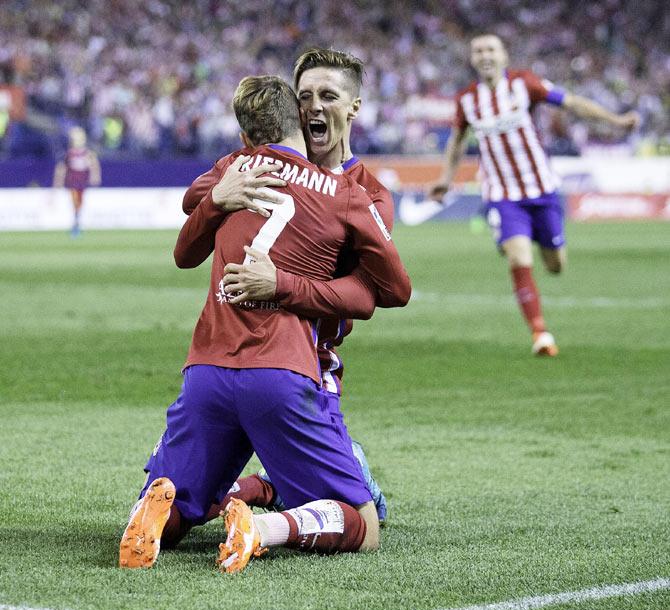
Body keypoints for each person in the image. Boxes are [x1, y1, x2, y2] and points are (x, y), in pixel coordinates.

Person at [119, 75, 411, 573]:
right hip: (289, 372)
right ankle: (264, 527)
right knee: (366, 520)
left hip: (207, 369)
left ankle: (157, 509)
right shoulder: (346, 192)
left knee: (186, 498)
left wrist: (217, 198)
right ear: (299, 118)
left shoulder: (234, 167)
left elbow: (185, 243)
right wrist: (285, 286)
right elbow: (392, 291)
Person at [203, 47, 397, 525]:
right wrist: (216, 196)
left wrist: (281, 284)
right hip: (244, 358)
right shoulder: (261, 163)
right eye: (304, 95)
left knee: (372, 510)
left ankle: (234, 489)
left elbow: (369, 295)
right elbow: (196, 196)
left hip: (312, 369)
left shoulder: (367, 196)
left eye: (328, 96)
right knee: (361, 514)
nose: (314, 106)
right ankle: (238, 488)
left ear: (353, 107)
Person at [429, 34, 639, 356]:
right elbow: (457, 141)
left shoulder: (524, 84)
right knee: (519, 258)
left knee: (555, 265)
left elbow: (572, 103)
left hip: (542, 189)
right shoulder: (467, 100)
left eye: (491, 50)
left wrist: (615, 121)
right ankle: (540, 333)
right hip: (503, 194)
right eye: (478, 51)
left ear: (504, 56)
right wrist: (445, 178)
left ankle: (530, 239)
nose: (485, 55)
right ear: (472, 59)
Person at [53, 126, 101, 237]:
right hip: (73, 182)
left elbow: (94, 165)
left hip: (82, 182)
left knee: (79, 203)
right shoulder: (69, 154)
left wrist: (95, 176)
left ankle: (77, 224)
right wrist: (59, 182)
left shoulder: (86, 153)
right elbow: (62, 168)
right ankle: (76, 225)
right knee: (76, 202)